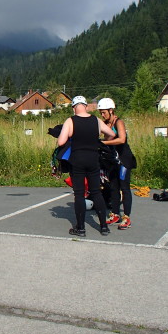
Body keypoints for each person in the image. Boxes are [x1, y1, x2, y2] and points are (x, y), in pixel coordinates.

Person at [57, 96, 115, 237]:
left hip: (77, 160)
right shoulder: (96, 120)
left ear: (74, 107)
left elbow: (61, 142)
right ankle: (103, 227)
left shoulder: (70, 121)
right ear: (86, 106)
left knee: (79, 194)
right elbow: (112, 134)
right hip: (93, 159)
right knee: (96, 192)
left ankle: (81, 228)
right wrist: (100, 141)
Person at [98, 98, 136, 230]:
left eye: (104, 112)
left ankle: (126, 217)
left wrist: (103, 143)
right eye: (100, 113)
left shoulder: (119, 122)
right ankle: (115, 213)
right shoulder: (105, 123)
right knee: (113, 186)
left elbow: (121, 139)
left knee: (124, 187)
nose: (102, 115)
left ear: (111, 110)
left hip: (124, 159)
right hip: (112, 159)